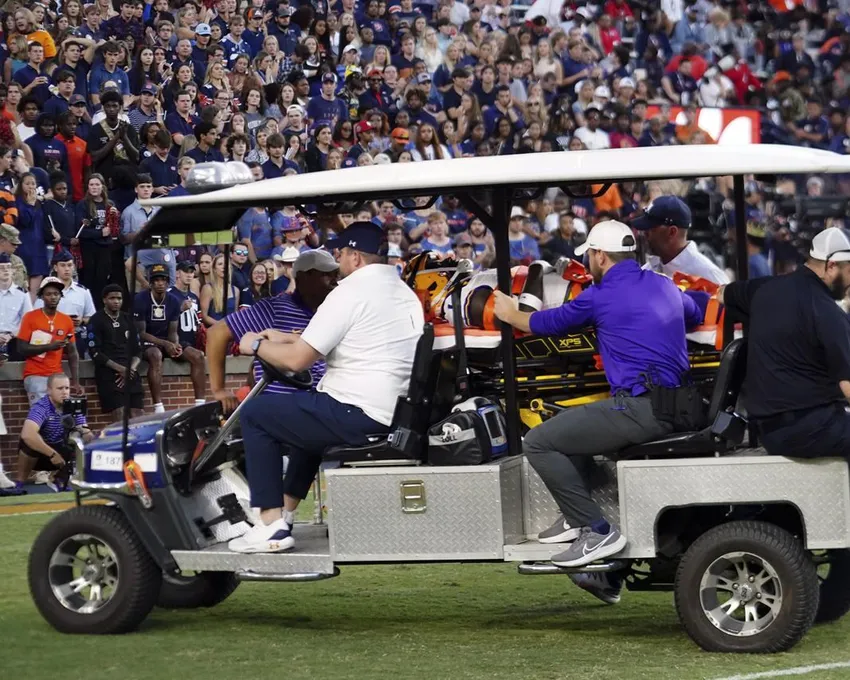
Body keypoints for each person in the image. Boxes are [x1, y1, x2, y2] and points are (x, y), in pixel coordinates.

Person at [492, 220, 702, 603]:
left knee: (538, 441)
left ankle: (596, 530)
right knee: (568, 433)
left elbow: (542, 323)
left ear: (600, 256)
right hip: (681, 406)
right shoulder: (664, 284)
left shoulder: (600, 295)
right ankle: (577, 519)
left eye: (589, 255)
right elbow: (695, 312)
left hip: (641, 409)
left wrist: (507, 312)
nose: (589, 261)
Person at [227, 222, 424, 554]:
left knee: (256, 413)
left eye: (341, 253)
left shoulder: (349, 292)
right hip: (392, 410)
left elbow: (297, 361)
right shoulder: (401, 291)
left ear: (356, 257)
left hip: (360, 412)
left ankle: (269, 525)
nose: (337, 260)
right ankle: (286, 514)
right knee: (308, 415)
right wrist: (282, 338)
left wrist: (256, 345)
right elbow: (338, 338)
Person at [717, 227, 850, 462]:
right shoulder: (827, 311)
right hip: (810, 429)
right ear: (831, 266)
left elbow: (723, 293)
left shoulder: (764, 288)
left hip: (768, 431)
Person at [209, 249, 339, 412]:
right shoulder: (274, 308)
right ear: (304, 278)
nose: (335, 281)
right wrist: (219, 390)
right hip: (281, 406)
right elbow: (217, 333)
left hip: (325, 404)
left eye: (336, 275)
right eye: (327, 275)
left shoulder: (335, 311)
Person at [133, 263, 206, 413]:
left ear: (168, 282)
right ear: (150, 282)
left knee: (198, 355)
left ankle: (200, 404)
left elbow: (173, 331)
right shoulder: (140, 299)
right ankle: (158, 407)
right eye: (156, 280)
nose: (160, 283)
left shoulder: (173, 300)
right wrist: (166, 344)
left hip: (166, 340)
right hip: (147, 341)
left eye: (163, 280)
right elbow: (141, 333)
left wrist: (176, 345)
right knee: (156, 355)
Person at [15, 372, 94, 492]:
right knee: (28, 442)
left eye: (67, 388)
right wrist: (52, 454)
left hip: (62, 450)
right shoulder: (41, 407)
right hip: (42, 454)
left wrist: (88, 436)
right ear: (49, 390)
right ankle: (20, 483)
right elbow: (27, 434)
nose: (64, 392)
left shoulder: (74, 405)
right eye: (60, 388)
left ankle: (61, 479)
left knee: (79, 440)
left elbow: (84, 429)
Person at [632, 196, 729, 285]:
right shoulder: (650, 269)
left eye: (650, 229)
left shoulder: (708, 275)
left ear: (672, 232)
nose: (644, 233)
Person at [17, 276, 81, 405]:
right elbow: (21, 348)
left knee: (60, 414)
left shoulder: (66, 320)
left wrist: (76, 381)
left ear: (60, 296)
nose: (53, 297)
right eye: (48, 294)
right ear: (41, 296)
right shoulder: (30, 317)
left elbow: (73, 352)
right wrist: (49, 347)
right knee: (42, 413)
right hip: (35, 374)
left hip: (57, 375)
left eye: (56, 294)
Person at [88, 283, 144, 421]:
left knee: (138, 417)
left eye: (119, 298)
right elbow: (95, 352)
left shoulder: (128, 319)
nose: (116, 301)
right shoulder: (96, 320)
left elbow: (138, 351)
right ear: (104, 300)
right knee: (120, 417)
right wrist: (120, 369)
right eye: (112, 298)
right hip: (109, 375)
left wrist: (130, 369)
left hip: (131, 374)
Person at [34, 250, 95, 358]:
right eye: (63, 265)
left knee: (76, 365)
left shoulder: (83, 292)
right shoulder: (46, 290)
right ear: (55, 267)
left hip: (75, 336)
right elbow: (36, 316)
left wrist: (81, 320)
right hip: (50, 337)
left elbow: (91, 317)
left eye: (69, 265)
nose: (67, 269)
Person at [168, 260, 201, 350]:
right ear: (177, 274)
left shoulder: (194, 297)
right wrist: (180, 309)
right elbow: (162, 320)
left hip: (193, 343)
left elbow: (199, 321)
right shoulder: (169, 295)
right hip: (176, 343)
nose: (189, 275)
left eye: (191, 272)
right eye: (186, 272)